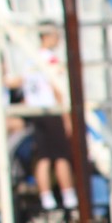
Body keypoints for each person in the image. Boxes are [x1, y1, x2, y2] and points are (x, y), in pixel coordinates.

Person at [21, 22, 77, 211]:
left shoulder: (30, 59)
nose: (58, 38)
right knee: (61, 156)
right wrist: (67, 117)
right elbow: (57, 88)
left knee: (43, 156)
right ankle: (68, 194)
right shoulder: (50, 60)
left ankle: (46, 196)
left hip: (35, 112)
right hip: (51, 111)